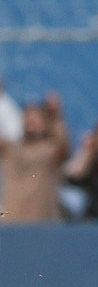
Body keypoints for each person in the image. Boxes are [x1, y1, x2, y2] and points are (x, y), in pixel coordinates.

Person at [1, 95, 70, 225]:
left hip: (44, 225)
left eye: (38, 117)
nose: (32, 120)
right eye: (28, 116)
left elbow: (62, 145)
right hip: (13, 224)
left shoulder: (51, 151)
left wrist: (57, 115)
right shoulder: (11, 149)